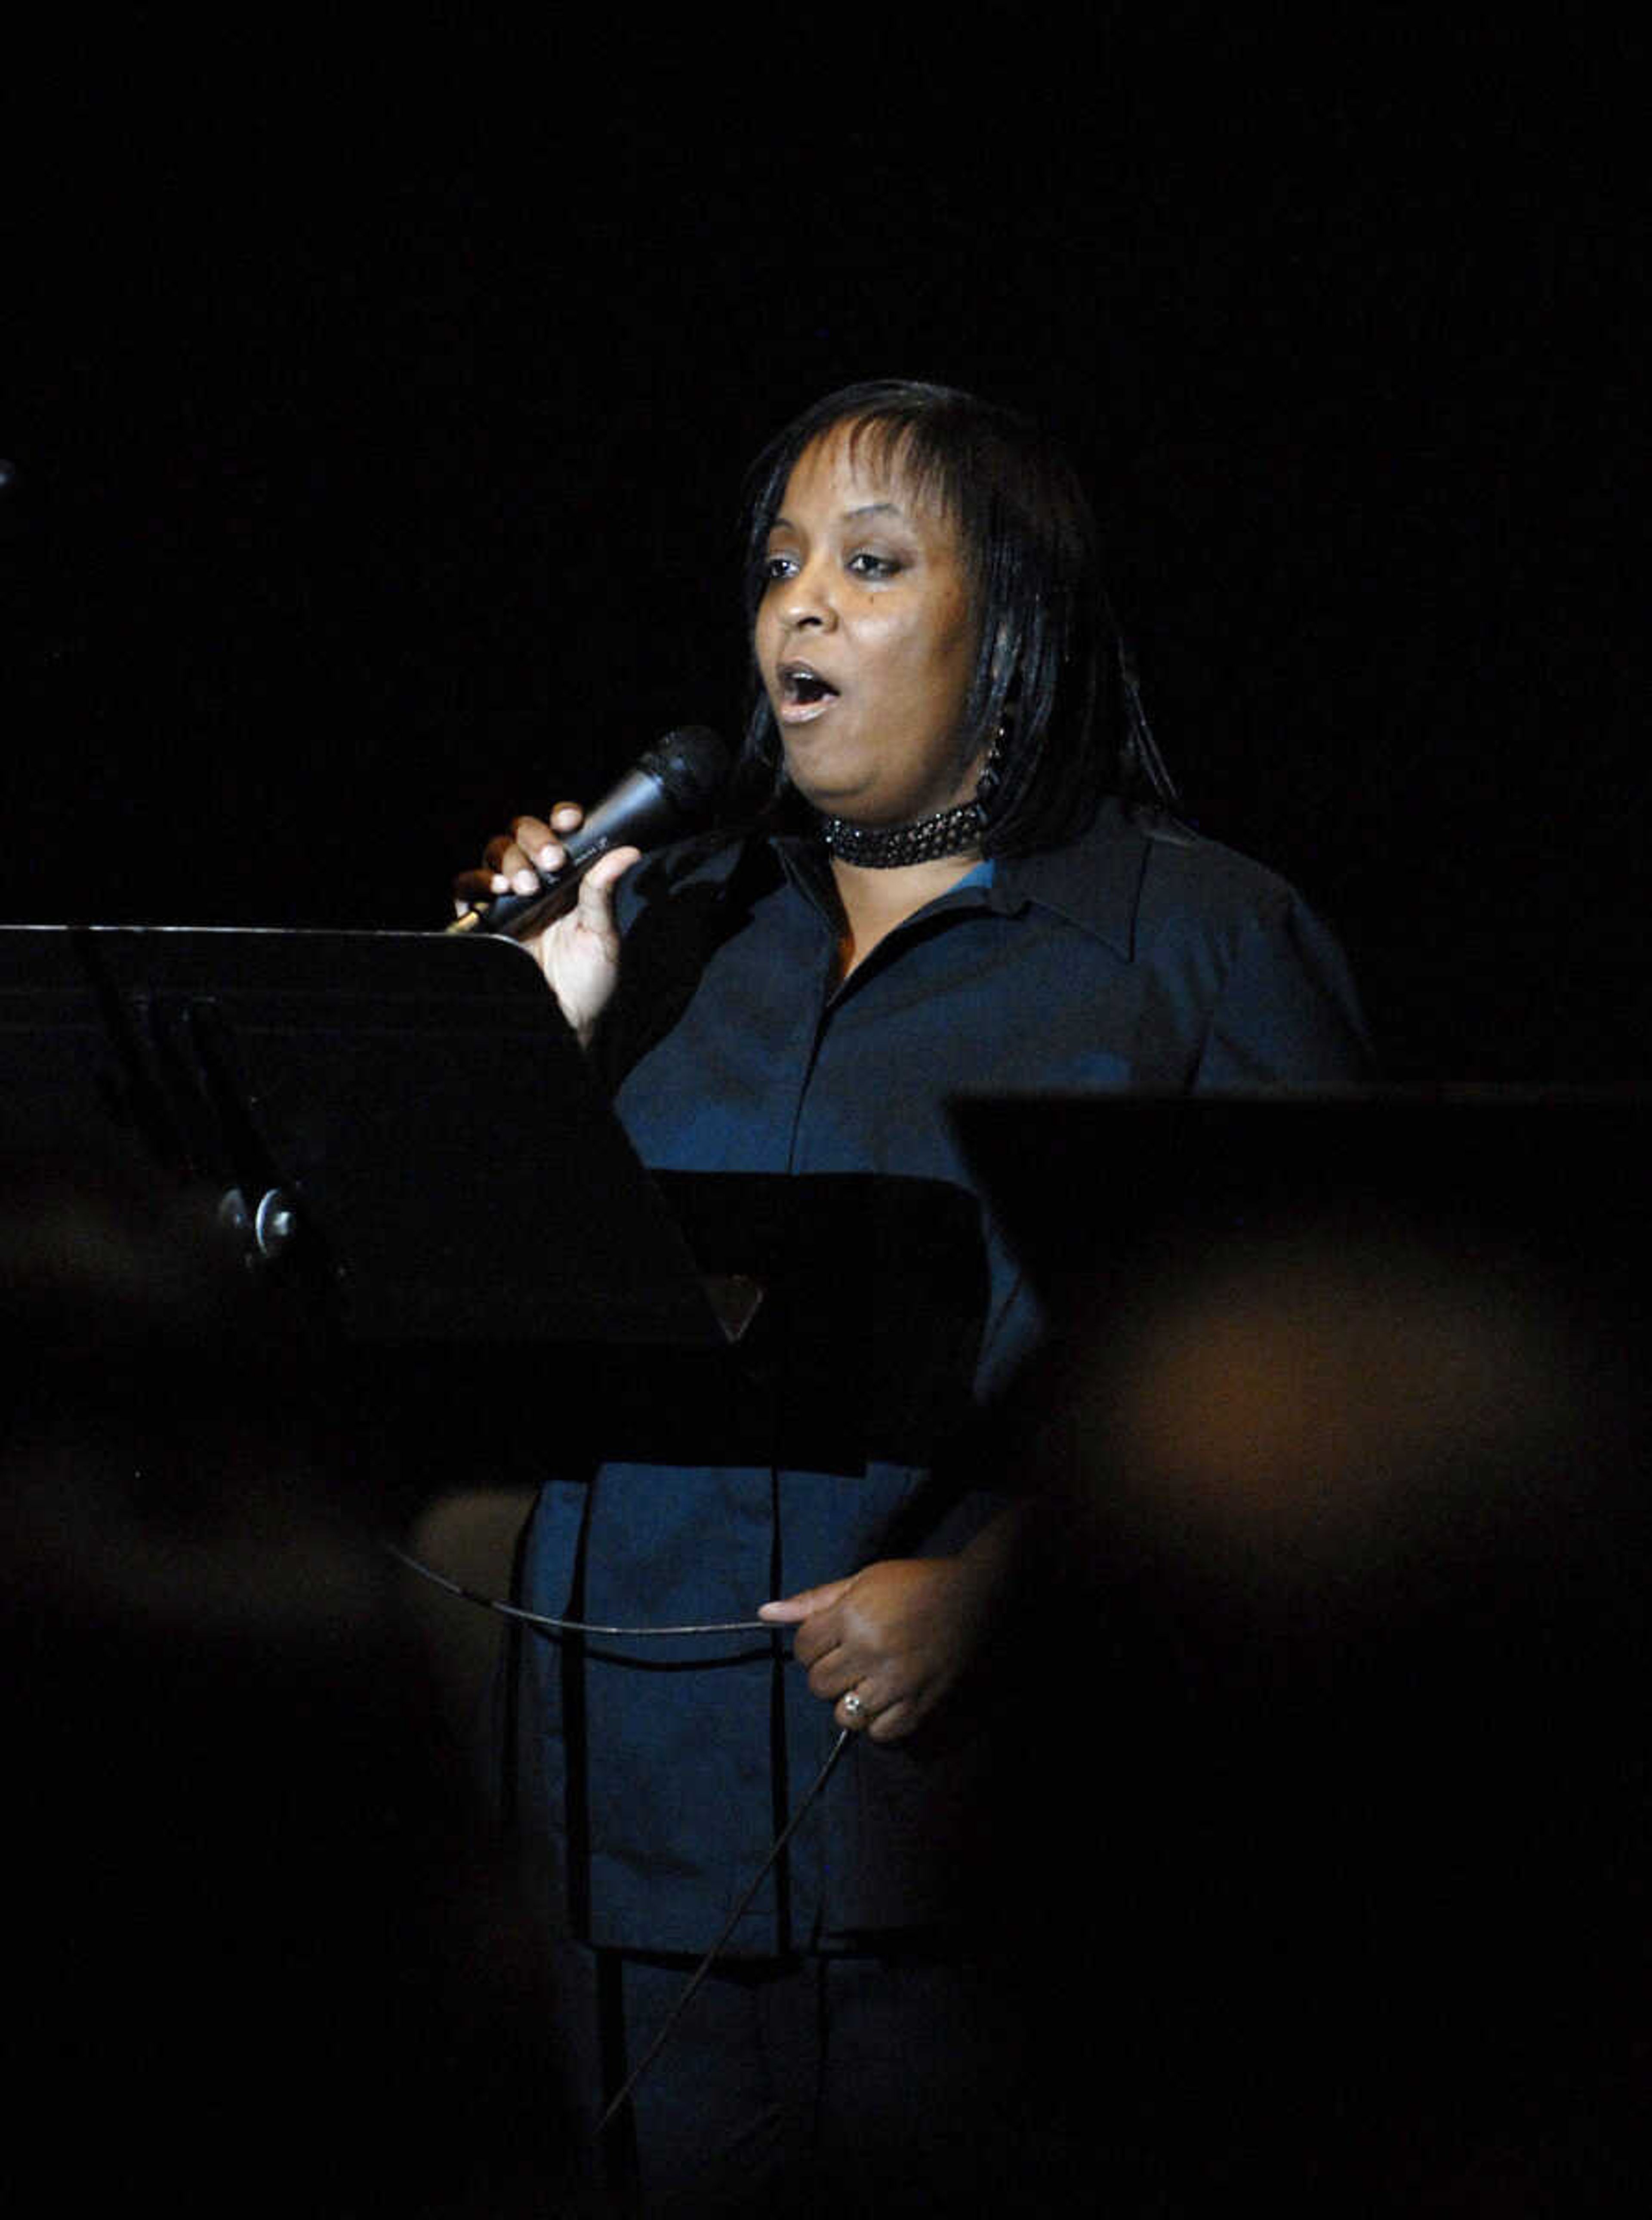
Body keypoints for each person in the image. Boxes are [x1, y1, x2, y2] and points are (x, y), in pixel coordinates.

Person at [453, 379, 1371, 2214]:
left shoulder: (1192, 945)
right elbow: (458, 1362)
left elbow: (1346, 1394)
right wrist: (510, 1048)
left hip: (982, 1882)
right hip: (629, 1870)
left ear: (1011, 636)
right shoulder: (667, 937)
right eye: (780, 564)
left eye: (869, 565)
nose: (799, 605)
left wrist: (1011, 1590)